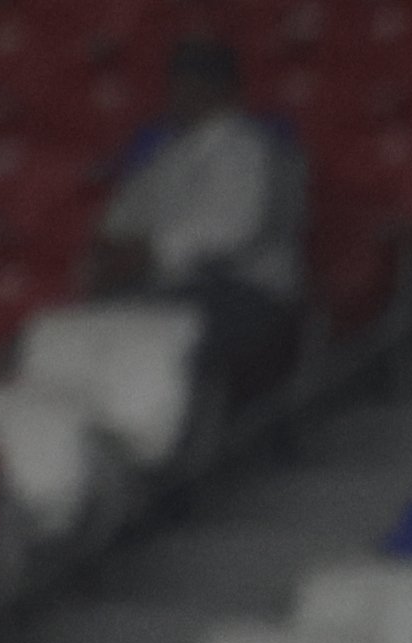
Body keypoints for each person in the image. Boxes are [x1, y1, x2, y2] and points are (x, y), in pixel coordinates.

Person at [97, 35, 312, 410]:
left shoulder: (252, 147)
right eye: (178, 81)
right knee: (94, 333)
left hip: (247, 297)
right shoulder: (169, 153)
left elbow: (234, 229)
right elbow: (122, 218)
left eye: (191, 81)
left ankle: (171, 441)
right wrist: (112, 248)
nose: (178, 92)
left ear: (219, 88)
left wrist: (147, 250)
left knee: (156, 342)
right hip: (172, 290)